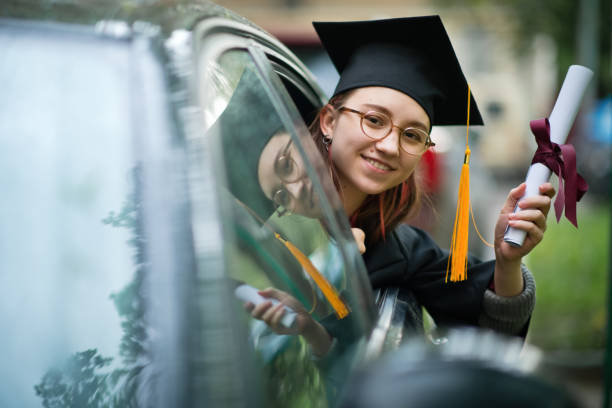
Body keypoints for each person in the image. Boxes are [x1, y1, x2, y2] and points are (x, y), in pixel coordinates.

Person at [247, 15, 555, 357]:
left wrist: (508, 261)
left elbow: (489, 339)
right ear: (329, 121)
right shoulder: (274, 243)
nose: (390, 147)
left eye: (412, 135)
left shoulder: (400, 250)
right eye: (374, 120)